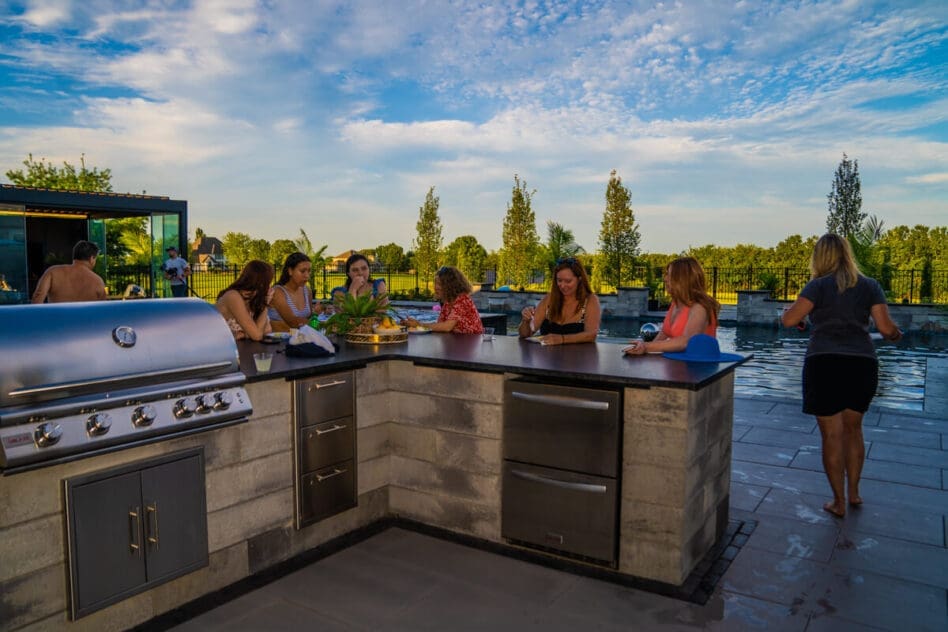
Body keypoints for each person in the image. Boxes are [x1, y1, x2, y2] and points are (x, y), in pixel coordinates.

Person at [781, 233, 902, 518]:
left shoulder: (817, 286)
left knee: (831, 436)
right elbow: (886, 329)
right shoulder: (870, 286)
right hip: (861, 363)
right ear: (847, 254)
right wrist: (897, 335)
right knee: (854, 430)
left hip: (823, 364)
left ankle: (838, 501)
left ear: (820, 257)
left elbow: (789, 320)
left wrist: (792, 315)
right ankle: (855, 493)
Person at [623, 256, 719, 355]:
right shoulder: (676, 303)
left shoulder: (700, 307)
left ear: (683, 279)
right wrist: (642, 349)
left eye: (670, 275)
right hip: (678, 365)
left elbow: (686, 342)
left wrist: (646, 346)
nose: (665, 279)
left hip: (698, 368)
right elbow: (664, 333)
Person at [518, 257, 601, 344]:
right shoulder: (549, 299)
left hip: (578, 356)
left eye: (568, 281)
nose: (562, 285)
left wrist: (562, 339)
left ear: (579, 280)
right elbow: (525, 334)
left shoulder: (590, 300)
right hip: (549, 356)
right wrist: (525, 321)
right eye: (559, 280)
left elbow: (591, 335)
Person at [404, 266, 483, 334]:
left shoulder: (462, 300)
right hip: (458, 344)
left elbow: (446, 327)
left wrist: (419, 325)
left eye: (440, 284)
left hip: (470, 345)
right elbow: (439, 326)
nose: (436, 287)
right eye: (435, 283)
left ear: (451, 285)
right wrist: (414, 325)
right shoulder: (448, 303)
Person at [31, 240, 107, 303]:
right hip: (85, 320)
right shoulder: (98, 281)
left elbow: (38, 296)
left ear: (74, 256)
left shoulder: (53, 272)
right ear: (91, 258)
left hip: (57, 319)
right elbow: (102, 309)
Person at [215, 260, 274, 341]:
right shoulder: (233, 296)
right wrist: (265, 304)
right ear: (261, 283)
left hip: (245, 348)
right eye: (268, 282)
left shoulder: (253, 299)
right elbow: (257, 336)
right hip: (225, 350)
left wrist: (264, 304)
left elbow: (267, 331)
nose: (270, 286)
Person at [268, 252, 314, 332]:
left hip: (301, 338)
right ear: (290, 271)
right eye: (303, 271)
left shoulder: (307, 291)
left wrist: (316, 314)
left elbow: (309, 318)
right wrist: (321, 324)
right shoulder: (278, 292)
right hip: (279, 341)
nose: (307, 275)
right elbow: (293, 322)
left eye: (309, 271)